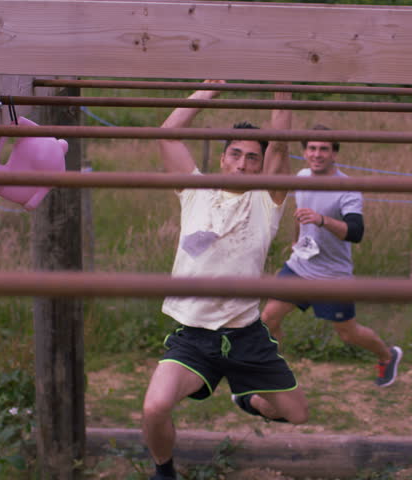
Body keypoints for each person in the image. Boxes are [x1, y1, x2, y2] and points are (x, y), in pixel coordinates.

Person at [142, 81, 308, 480]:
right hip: (195, 335)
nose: (242, 164)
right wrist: (209, 91)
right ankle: (164, 472)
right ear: (222, 157)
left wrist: (282, 87)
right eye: (235, 154)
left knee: (295, 414)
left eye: (253, 158)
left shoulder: (267, 199)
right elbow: (167, 132)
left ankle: (246, 397)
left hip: (245, 335)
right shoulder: (195, 189)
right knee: (154, 408)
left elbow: (281, 145)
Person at [261, 125, 402, 388]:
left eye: (324, 148)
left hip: (332, 276)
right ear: (304, 152)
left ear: (334, 154)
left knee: (348, 334)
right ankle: (274, 374)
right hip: (300, 266)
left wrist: (322, 220)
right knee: (268, 319)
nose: (317, 154)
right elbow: (301, 213)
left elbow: (356, 232)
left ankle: (387, 355)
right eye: (312, 148)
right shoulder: (301, 177)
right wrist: (296, 239)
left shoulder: (347, 189)